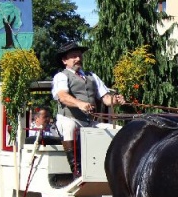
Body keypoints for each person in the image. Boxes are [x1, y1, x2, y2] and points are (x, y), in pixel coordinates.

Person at [51, 41, 125, 176]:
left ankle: (116, 167)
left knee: (119, 131)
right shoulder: (61, 76)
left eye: (79, 56)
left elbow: (106, 99)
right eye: (74, 56)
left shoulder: (92, 76)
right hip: (69, 118)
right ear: (64, 60)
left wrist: (116, 100)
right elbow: (62, 96)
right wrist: (80, 103)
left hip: (90, 122)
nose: (78, 59)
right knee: (69, 127)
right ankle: (76, 169)